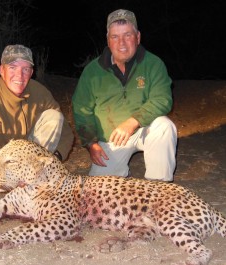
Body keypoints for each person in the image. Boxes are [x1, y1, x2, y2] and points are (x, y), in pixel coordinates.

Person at [0, 44, 74, 207]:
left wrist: (52, 160)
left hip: (21, 155)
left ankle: (34, 181)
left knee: (53, 117)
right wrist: (16, 176)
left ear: (32, 72)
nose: (20, 75)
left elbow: (65, 134)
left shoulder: (40, 91)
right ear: (1, 70)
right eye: (13, 67)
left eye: (26, 69)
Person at [72, 9, 177, 182]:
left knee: (164, 127)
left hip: (145, 128)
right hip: (111, 140)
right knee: (98, 195)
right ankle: (120, 174)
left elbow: (162, 100)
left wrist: (132, 121)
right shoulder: (92, 71)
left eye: (127, 35)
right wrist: (91, 143)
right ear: (108, 40)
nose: (122, 43)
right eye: (115, 37)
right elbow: (81, 110)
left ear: (138, 37)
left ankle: (158, 187)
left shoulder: (154, 64)